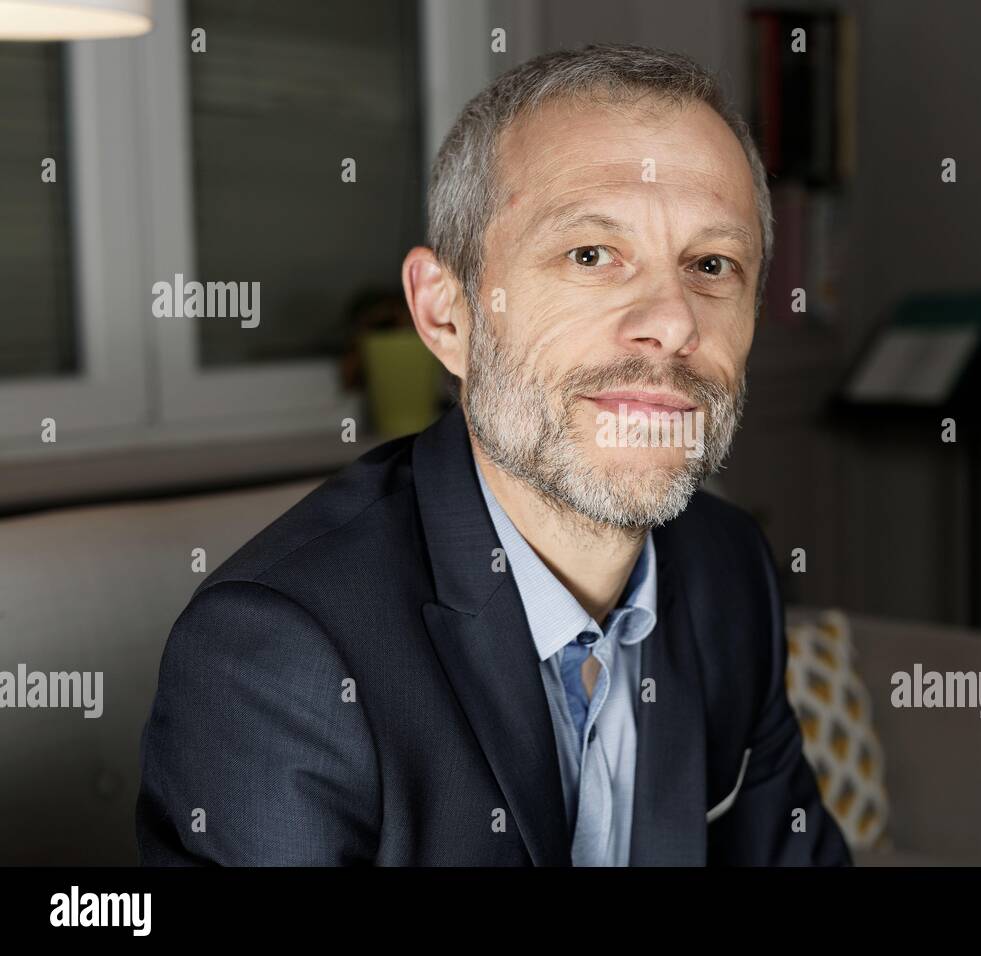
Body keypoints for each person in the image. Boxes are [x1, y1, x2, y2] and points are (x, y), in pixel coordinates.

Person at [136, 43, 852, 867]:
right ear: (446, 316)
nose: (675, 321)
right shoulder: (279, 653)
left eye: (712, 265)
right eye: (591, 254)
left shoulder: (731, 571)